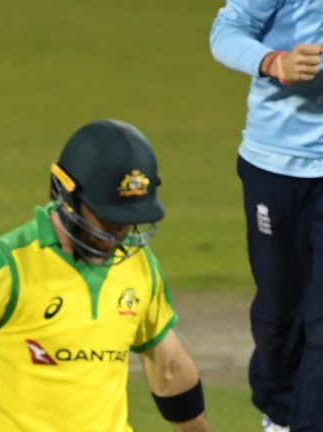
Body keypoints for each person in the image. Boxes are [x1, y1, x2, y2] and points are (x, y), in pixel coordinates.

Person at [0, 120, 210, 432]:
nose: (118, 234)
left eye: (130, 220)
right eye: (108, 218)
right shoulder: (2, 267)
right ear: (65, 193)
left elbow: (169, 368)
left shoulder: (138, 265)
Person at [210, 2, 323, 430]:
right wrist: (274, 61)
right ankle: (278, 417)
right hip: (275, 164)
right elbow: (227, 31)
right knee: (278, 316)